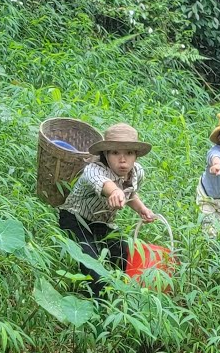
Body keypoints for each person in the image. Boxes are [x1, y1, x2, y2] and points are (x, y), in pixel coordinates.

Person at [57, 122, 157, 297]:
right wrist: (115, 192)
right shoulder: (93, 169)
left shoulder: (137, 172)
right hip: (75, 218)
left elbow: (131, 193)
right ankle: (96, 302)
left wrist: (141, 208)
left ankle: (132, 297)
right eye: (115, 152)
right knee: (92, 263)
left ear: (136, 155)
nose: (123, 159)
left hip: (103, 223)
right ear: (105, 154)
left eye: (129, 153)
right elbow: (105, 184)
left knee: (126, 257)